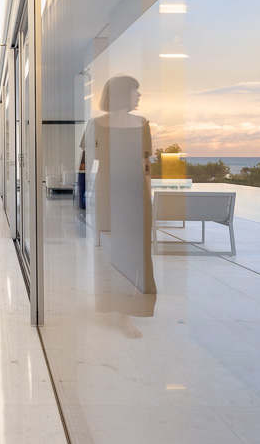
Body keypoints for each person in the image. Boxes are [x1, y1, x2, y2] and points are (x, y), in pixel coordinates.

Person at [82, 75, 156, 337]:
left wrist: (148, 197)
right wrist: (82, 202)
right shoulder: (96, 124)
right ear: (123, 94)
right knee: (109, 251)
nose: (139, 96)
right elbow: (86, 164)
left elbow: (146, 166)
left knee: (137, 252)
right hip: (108, 191)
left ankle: (127, 312)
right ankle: (110, 304)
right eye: (135, 91)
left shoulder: (142, 124)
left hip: (136, 192)